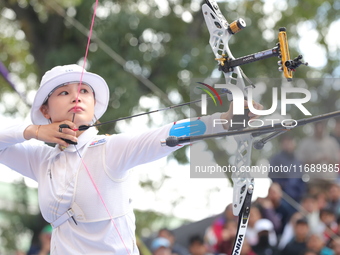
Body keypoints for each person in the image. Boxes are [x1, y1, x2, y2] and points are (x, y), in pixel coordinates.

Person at [0, 64, 263, 254]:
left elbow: (168, 134)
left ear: (93, 105)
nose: (76, 97)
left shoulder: (110, 149)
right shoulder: (42, 160)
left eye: (84, 91)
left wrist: (225, 121)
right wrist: (33, 131)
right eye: (64, 93)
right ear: (45, 109)